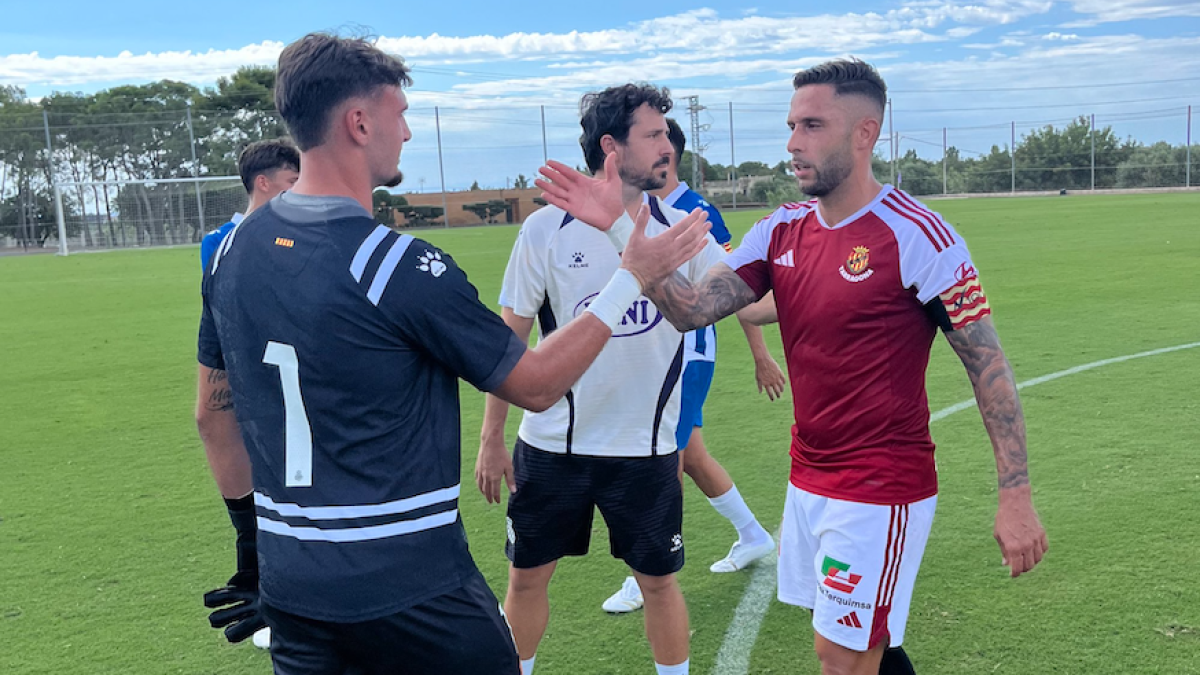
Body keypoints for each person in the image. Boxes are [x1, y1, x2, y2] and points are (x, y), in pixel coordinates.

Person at [195, 35, 711, 675]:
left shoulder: (227, 253)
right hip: (412, 585)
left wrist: (251, 545)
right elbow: (537, 383)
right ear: (359, 123)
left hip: (291, 582)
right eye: (400, 115)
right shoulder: (395, 264)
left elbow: (211, 415)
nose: (408, 133)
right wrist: (630, 276)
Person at [536, 59, 1048, 675]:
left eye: (811, 125)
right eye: (791, 125)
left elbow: (987, 367)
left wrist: (1015, 495)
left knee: (840, 655)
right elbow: (694, 311)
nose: (792, 143)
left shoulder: (920, 237)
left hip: (881, 487)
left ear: (865, 134)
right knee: (863, 648)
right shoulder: (782, 229)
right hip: (807, 479)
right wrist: (621, 227)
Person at [475, 84, 724, 675]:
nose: (670, 144)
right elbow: (508, 342)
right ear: (612, 147)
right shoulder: (545, 231)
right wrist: (491, 435)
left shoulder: (685, 228)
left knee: (660, 585)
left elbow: (735, 302)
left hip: (646, 450)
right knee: (526, 578)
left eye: (667, 133)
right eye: (655, 134)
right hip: (552, 444)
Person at [600, 118, 784, 615]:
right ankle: (752, 535)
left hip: (688, 353)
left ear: (669, 153)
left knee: (667, 459)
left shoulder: (694, 211)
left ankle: (645, 572)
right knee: (692, 454)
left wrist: (761, 353)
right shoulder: (629, 207)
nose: (655, 150)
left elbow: (732, 288)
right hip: (649, 356)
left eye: (660, 141)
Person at [196, 137, 300, 651]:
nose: (299, 191)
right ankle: (261, 571)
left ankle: (286, 593)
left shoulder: (302, 235)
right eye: (291, 182)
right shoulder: (219, 244)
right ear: (264, 183)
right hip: (249, 374)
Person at [199, 139, 300, 270]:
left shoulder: (299, 235)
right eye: (293, 181)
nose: (299, 188)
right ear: (263, 183)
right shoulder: (219, 240)